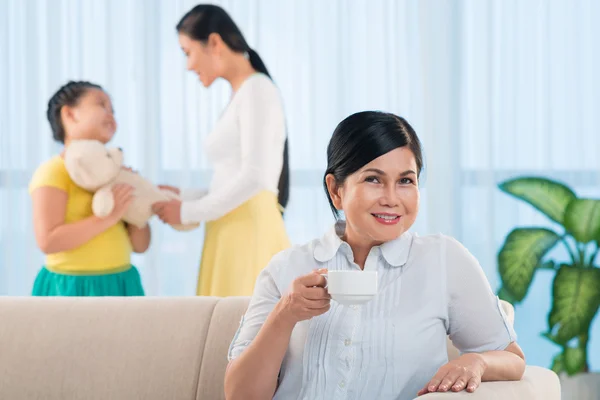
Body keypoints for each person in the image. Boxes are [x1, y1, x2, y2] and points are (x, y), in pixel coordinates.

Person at [224, 111, 526, 399]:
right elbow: (239, 395)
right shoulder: (287, 268)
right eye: (373, 179)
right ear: (336, 190)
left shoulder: (444, 260)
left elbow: (512, 359)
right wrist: (285, 313)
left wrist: (477, 361)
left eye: (406, 181)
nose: (392, 199)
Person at [153, 4, 290, 297]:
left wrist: (187, 210)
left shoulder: (257, 91)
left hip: (247, 232)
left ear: (214, 42)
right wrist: (184, 197)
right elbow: (232, 178)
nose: (188, 65)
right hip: (231, 229)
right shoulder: (243, 93)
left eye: (187, 52)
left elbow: (255, 179)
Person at [29, 81, 150, 296]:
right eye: (101, 105)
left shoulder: (117, 173)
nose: (111, 114)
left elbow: (141, 246)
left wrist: (137, 204)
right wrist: (108, 218)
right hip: (70, 288)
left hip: (121, 282)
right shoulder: (54, 171)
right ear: (69, 115)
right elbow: (47, 241)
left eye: (113, 110)